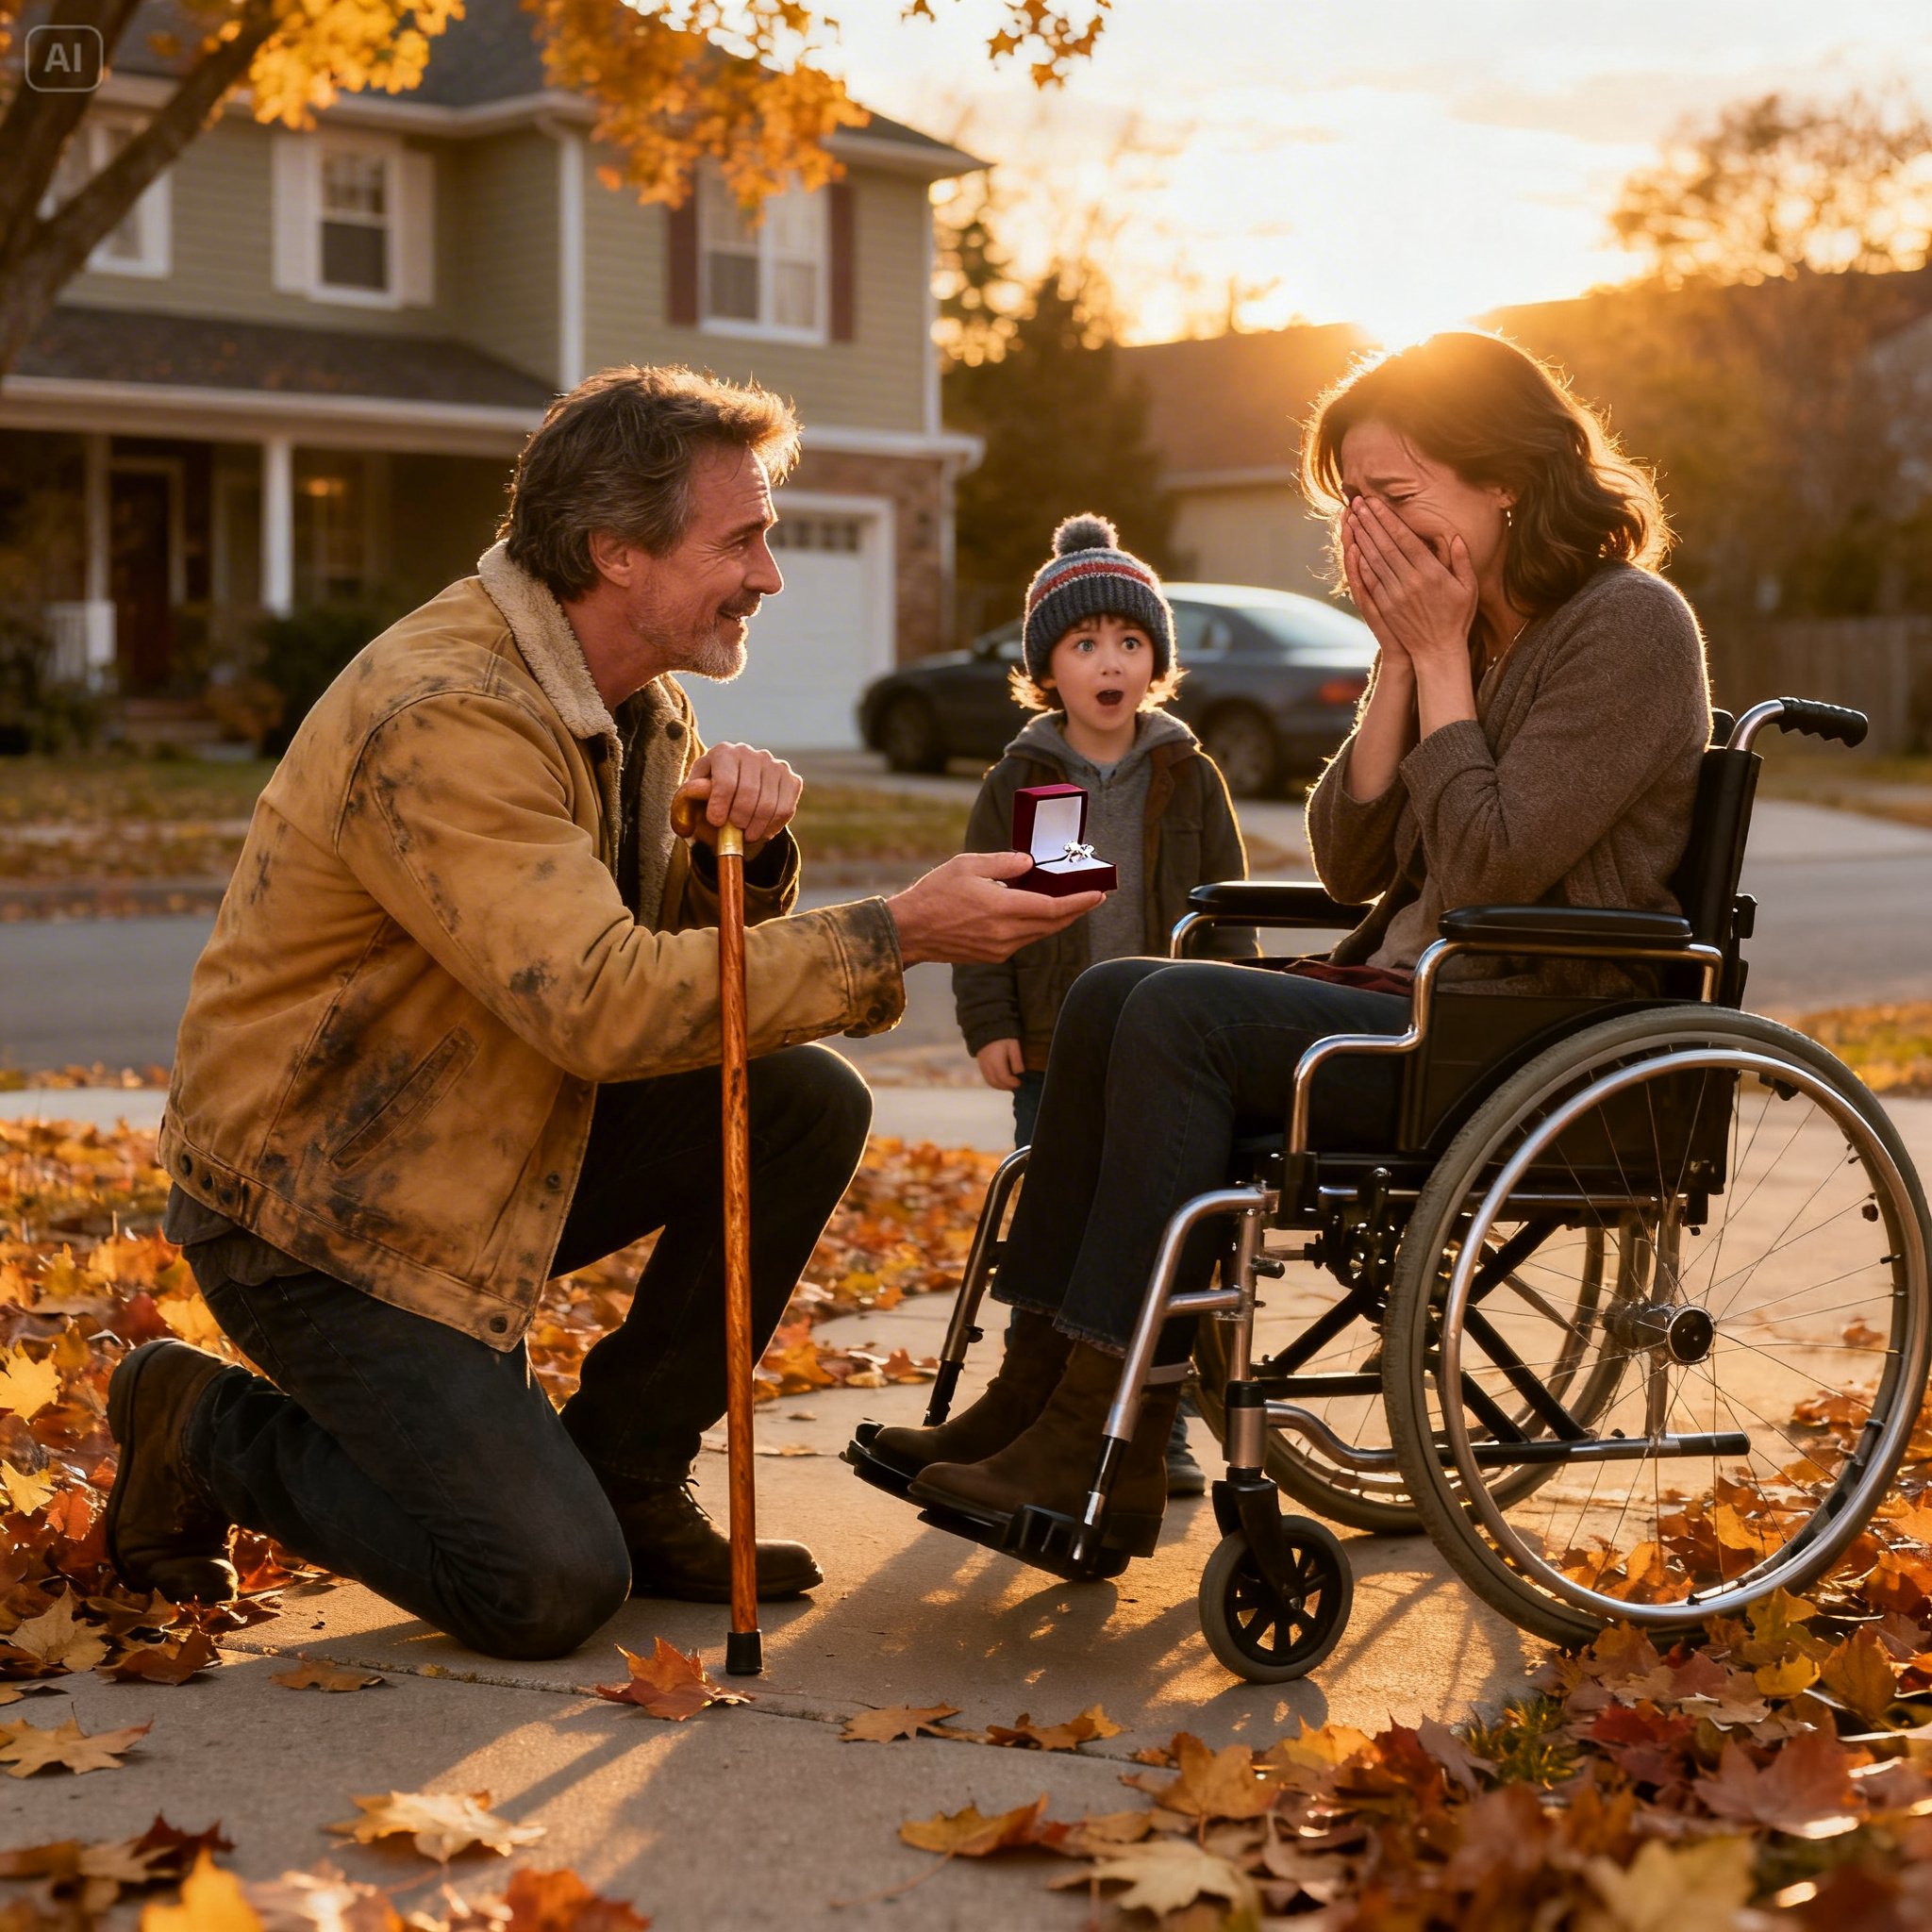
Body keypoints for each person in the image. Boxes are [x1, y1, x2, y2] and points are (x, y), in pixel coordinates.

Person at [103, 365, 1102, 1661]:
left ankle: (629, 1471)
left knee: (800, 1100)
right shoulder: (449, 712)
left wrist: (738, 856)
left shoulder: (639, 704)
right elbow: (599, 1009)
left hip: (490, 1151)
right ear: (614, 552)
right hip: (321, 1215)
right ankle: (196, 1425)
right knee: (543, 1588)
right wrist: (900, 930)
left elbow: (673, 980)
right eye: (740, 541)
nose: (770, 577)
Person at [872, 330, 1711, 1561]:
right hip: (1417, 994)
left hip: (1521, 1024)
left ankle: (1097, 1436)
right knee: (1113, 992)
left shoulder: (1628, 627)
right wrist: (1398, 666)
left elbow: (1487, 865)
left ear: (1507, 481)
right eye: (1352, 502)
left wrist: (1436, 657)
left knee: (1173, 1016)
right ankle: (1036, 1391)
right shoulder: (1467, 633)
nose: (1366, 528)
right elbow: (1352, 864)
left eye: (1395, 497)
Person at [920, 512, 1253, 1499]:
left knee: (1166, 1228)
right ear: (1044, 668)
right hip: (1054, 1048)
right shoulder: (1025, 779)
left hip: (1175, 1049)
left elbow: (1226, 911)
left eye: (1129, 640)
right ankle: (1035, 1400)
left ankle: (1165, 1425)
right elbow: (982, 910)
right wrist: (988, 1024)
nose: (1109, 660)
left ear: (1153, 659)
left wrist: (1232, 1008)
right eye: (1083, 643)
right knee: (1059, 1221)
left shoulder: (1186, 773)